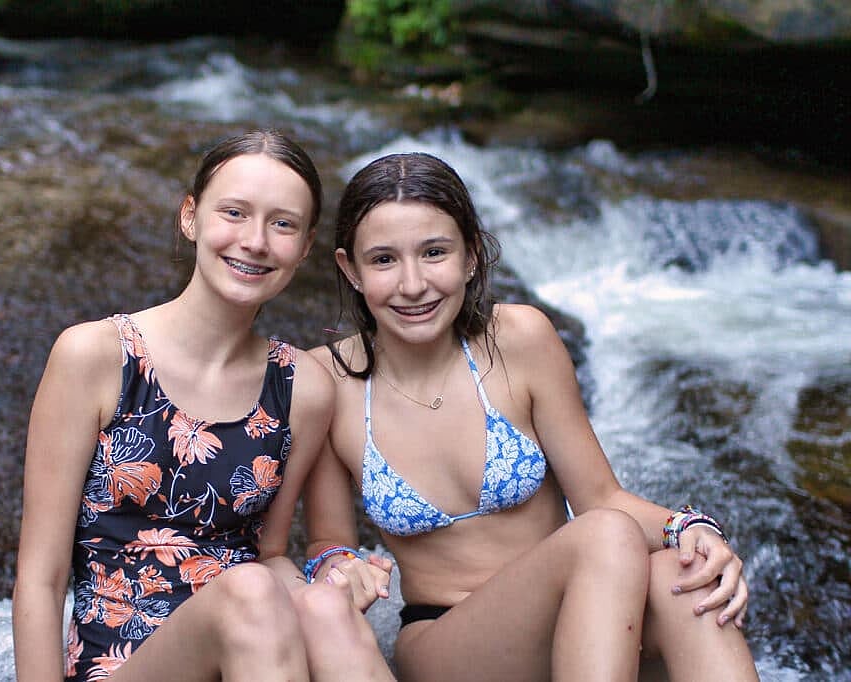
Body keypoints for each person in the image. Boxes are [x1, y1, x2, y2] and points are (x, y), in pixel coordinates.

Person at [304, 151, 760, 681]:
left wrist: (693, 529)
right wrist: (339, 565)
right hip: (446, 639)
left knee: (690, 583)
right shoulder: (327, 381)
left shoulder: (521, 339)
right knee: (605, 536)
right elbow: (327, 543)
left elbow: (601, 497)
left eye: (434, 252)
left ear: (471, 255)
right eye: (384, 260)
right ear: (350, 270)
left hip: (583, 606)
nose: (412, 284)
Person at [12, 129, 394, 682]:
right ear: (190, 216)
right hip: (124, 666)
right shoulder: (96, 356)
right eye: (234, 213)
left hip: (251, 654)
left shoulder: (301, 386)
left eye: (282, 223)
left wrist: (336, 576)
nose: (256, 241)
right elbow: (40, 578)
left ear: (305, 246)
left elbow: (268, 553)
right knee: (249, 590)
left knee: (313, 602)